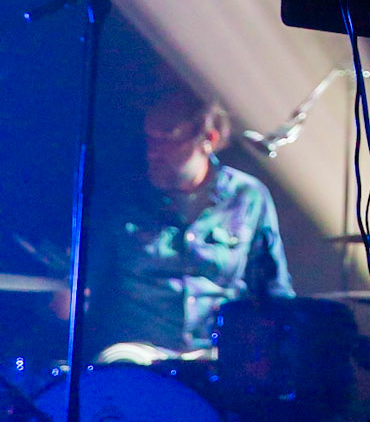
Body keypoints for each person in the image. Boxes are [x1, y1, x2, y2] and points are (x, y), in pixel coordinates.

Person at [88, 86, 293, 363]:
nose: (154, 153)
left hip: (220, 353)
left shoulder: (247, 197)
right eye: (151, 141)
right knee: (117, 370)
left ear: (208, 139)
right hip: (138, 352)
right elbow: (86, 284)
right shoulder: (125, 199)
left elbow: (275, 289)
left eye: (168, 141)